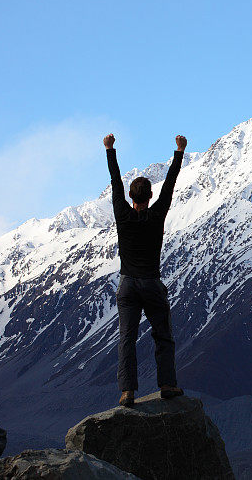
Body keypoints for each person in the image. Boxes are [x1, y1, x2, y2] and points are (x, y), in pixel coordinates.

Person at [104, 132, 187, 407]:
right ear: (151, 196)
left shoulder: (121, 212)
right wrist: (179, 152)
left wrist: (110, 149)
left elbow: (115, 181)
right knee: (163, 334)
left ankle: (127, 392)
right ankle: (167, 384)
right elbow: (171, 184)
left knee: (126, 338)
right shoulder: (158, 213)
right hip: (151, 283)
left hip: (127, 285)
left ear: (130, 196)